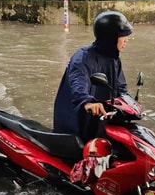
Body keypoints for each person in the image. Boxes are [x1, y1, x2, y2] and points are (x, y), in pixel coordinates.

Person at [53, 10, 132, 143]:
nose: (126, 40)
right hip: (76, 123)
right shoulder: (83, 58)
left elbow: (120, 87)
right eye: (123, 36)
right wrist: (87, 101)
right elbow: (78, 82)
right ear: (111, 37)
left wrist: (128, 104)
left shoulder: (113, 59)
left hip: (100, 118)